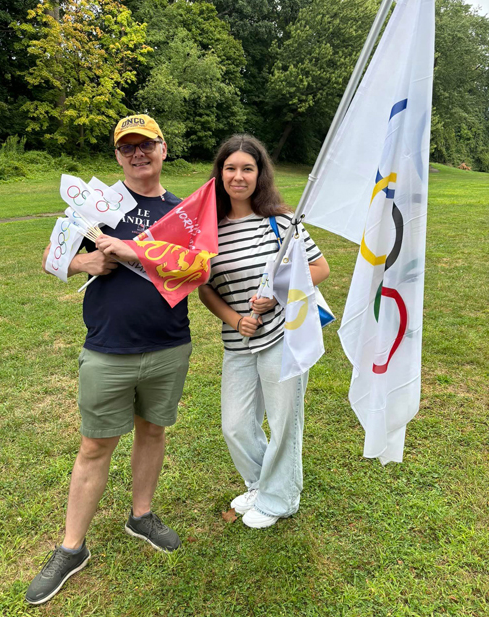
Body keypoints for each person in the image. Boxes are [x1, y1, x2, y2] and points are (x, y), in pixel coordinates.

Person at [26, 114, 193, 605]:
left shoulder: (182, 212)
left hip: (169, 344)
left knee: (153, 431)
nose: (139, 154)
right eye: (128, 148)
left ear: (164, 149)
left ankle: (141, 516)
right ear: (118, 157)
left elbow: (194, 271)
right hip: (108, 348)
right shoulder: (97, 207)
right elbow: (50, 259)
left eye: (148, 145)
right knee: (95, 447)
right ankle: (71, 548)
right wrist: (84, 261)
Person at [198, 134, 330, 529]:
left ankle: (281, 498)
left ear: (260, 174)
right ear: (220, 173)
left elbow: (319, 268)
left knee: (284, 419)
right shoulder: (208, 231)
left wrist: (276, 296)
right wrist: (236, 319)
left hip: (282, 338)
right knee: (235, 424)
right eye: (231, 168)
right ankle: (261, 482)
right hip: (238, 340)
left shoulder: (283, 223)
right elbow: (204, 287)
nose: (238, 177)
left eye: (247, 169)